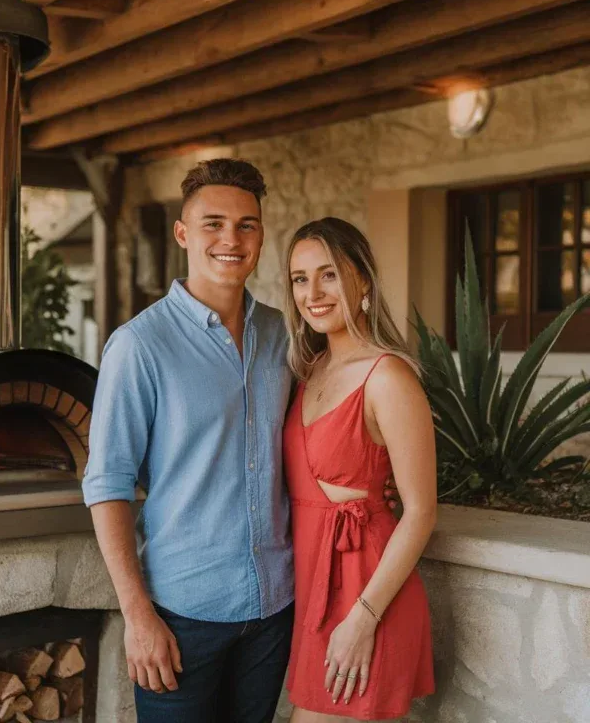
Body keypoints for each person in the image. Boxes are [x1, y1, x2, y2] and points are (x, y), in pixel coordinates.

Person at [82, 158, 295, 723]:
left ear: (261, 235)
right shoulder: (138, 346)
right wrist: (137, 614)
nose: (232, 238)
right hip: (182, 616)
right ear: (183, 234)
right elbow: (108, 485)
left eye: (247, 224)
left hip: (274, 609)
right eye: (213, 223)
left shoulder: (283, 334)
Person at [282, 217, 436, 722]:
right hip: (314, 591)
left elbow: (419, 511)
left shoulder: (388, 376)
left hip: (366, 596)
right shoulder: (308, 370)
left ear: (362, 279)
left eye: (329, 274)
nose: (313, 292)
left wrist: (363, 619)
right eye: (300, 278)